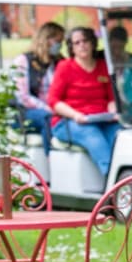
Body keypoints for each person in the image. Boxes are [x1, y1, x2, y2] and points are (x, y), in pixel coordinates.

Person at [49, 26, 121, 179]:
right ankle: (113, 181)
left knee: (120, 136)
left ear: (93, 43)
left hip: (102, 119)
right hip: (69, 121)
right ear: (72, 47)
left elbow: (111, 98)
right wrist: (76, 115)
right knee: (93, 137)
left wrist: (113, 111)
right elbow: (53, 101)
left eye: (85, 41)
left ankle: (130, 177)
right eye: (77, 42)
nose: (82, 45)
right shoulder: (65, 67)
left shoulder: (103, 66)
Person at [10, 22, 66, 154]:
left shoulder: (59, 61)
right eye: (57, 41)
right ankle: (51, 157)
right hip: (25, 111)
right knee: (47, 118)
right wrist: (49, 108)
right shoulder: (24, 61)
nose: (59, 45)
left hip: (55, 108)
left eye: (61, 42)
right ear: (46, 39)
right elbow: (22, 96)